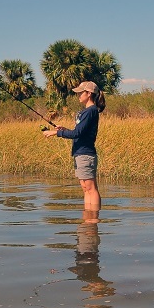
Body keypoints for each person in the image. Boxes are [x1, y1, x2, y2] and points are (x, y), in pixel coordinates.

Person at [43, 81, 105, 211]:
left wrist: (56, 132)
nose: (78, 95)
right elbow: (79, 132)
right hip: (80, 153)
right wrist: (65, 129)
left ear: (89, 94)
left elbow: (76, 133)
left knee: (90, 188)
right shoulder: (87, 112)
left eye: (81, 92)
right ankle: (88, 218)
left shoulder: (90, 111)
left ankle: (93, 220)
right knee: (85, 188)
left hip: (85, 154)